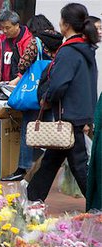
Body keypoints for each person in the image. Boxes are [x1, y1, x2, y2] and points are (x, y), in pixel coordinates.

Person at [27, 3, 98, 202]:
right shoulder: (86, 49)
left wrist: (47, 99)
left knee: (79, 166)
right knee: (52, 161)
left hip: (68, 118)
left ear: (65, 24)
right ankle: (31, 199)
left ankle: (96, 203)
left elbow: (59, 85)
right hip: (78, 115)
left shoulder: (69, 51)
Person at [2, 15, 63, 181]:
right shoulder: (60, 42)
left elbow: (23, 64)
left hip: (35, 92)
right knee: (46, 129)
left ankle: (24, 167)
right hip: (51, 91)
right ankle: (42, 168)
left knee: (29, 129)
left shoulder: (36, 42)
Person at [0, 10, 32, 87]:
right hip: (2, 86)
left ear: (17, 25)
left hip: (22, 85)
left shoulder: (29, 41)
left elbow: (31, 66)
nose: (4, 31)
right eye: (2, 28)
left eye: (7, 27)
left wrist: (18, 79)